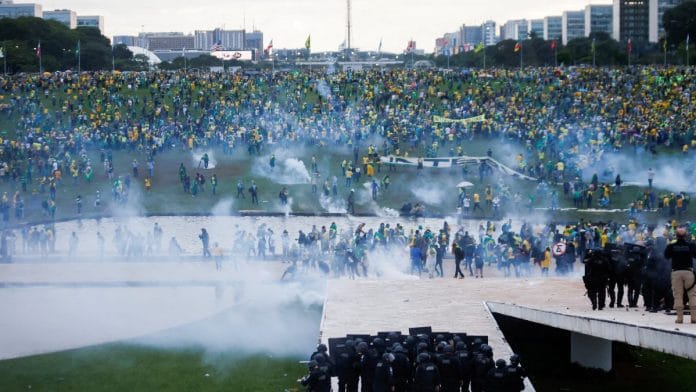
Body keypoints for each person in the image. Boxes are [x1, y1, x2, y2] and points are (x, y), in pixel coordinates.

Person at [664, 227, 696, 323]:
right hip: (688, 272)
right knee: (692, 295)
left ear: (676, 236)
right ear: (686, 236)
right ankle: (694, 318)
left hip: (676, 272)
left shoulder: (671, 246)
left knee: (678, 295)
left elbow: (666, 256)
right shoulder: (691, 245)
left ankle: (679, 318)